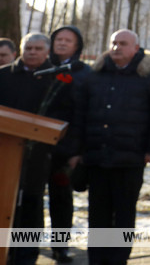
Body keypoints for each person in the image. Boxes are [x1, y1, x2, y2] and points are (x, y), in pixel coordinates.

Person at [68, 29, 150, 265]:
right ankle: (97, 259)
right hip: (97, 157)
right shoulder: (96, 74)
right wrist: (76, 151)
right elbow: (80, 114)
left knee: (124, 215)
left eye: (123, 43)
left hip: (130, 159)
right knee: (98, 215)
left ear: (136, 48)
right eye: (113, 42)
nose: (116, 47)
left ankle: (118, 259)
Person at [0, 33, 53, 265]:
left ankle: (27, 255)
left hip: (39, 155)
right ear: (21, 50)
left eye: (38, 48)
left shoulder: (57, 78)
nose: (32, 52)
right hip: (5, 151)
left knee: (31, 205)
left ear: (47, 52)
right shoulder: (4, 75)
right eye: (28, 47)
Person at [44, 26, 90, 264]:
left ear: (77, 46)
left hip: (66, 148)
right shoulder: (42, 68)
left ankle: (60, 247)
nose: (61, 43)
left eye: (67, 40)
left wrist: (78, 151)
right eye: (58, 39)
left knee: (61, 199)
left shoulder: (84, 73)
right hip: (35, 145)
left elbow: (85, 115)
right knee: (29, 198)